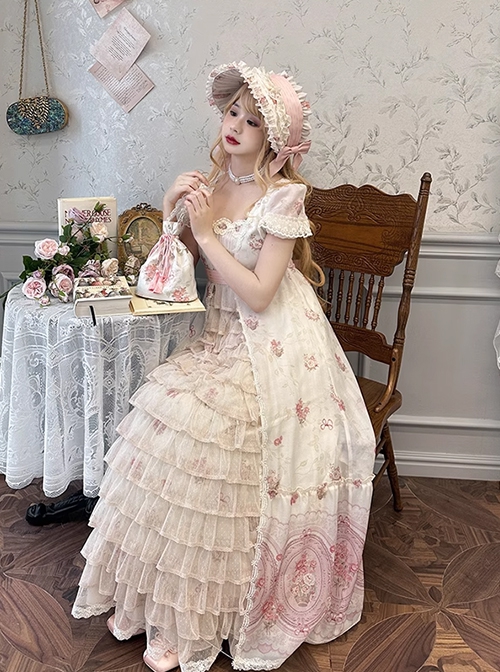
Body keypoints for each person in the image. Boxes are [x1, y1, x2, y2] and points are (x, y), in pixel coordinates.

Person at [71, 61, 376, 672]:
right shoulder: (213, 181)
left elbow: (260, 294)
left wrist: (209, 233)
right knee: (164, 416)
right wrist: (173, 211)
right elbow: (180, 268)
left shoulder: (284, 196)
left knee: (209, 430)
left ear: (276, 139)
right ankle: (166, 603)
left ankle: (218, 610)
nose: (235, 125)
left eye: (253, 120)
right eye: (232, 112)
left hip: (273, 343)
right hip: (216, 336)